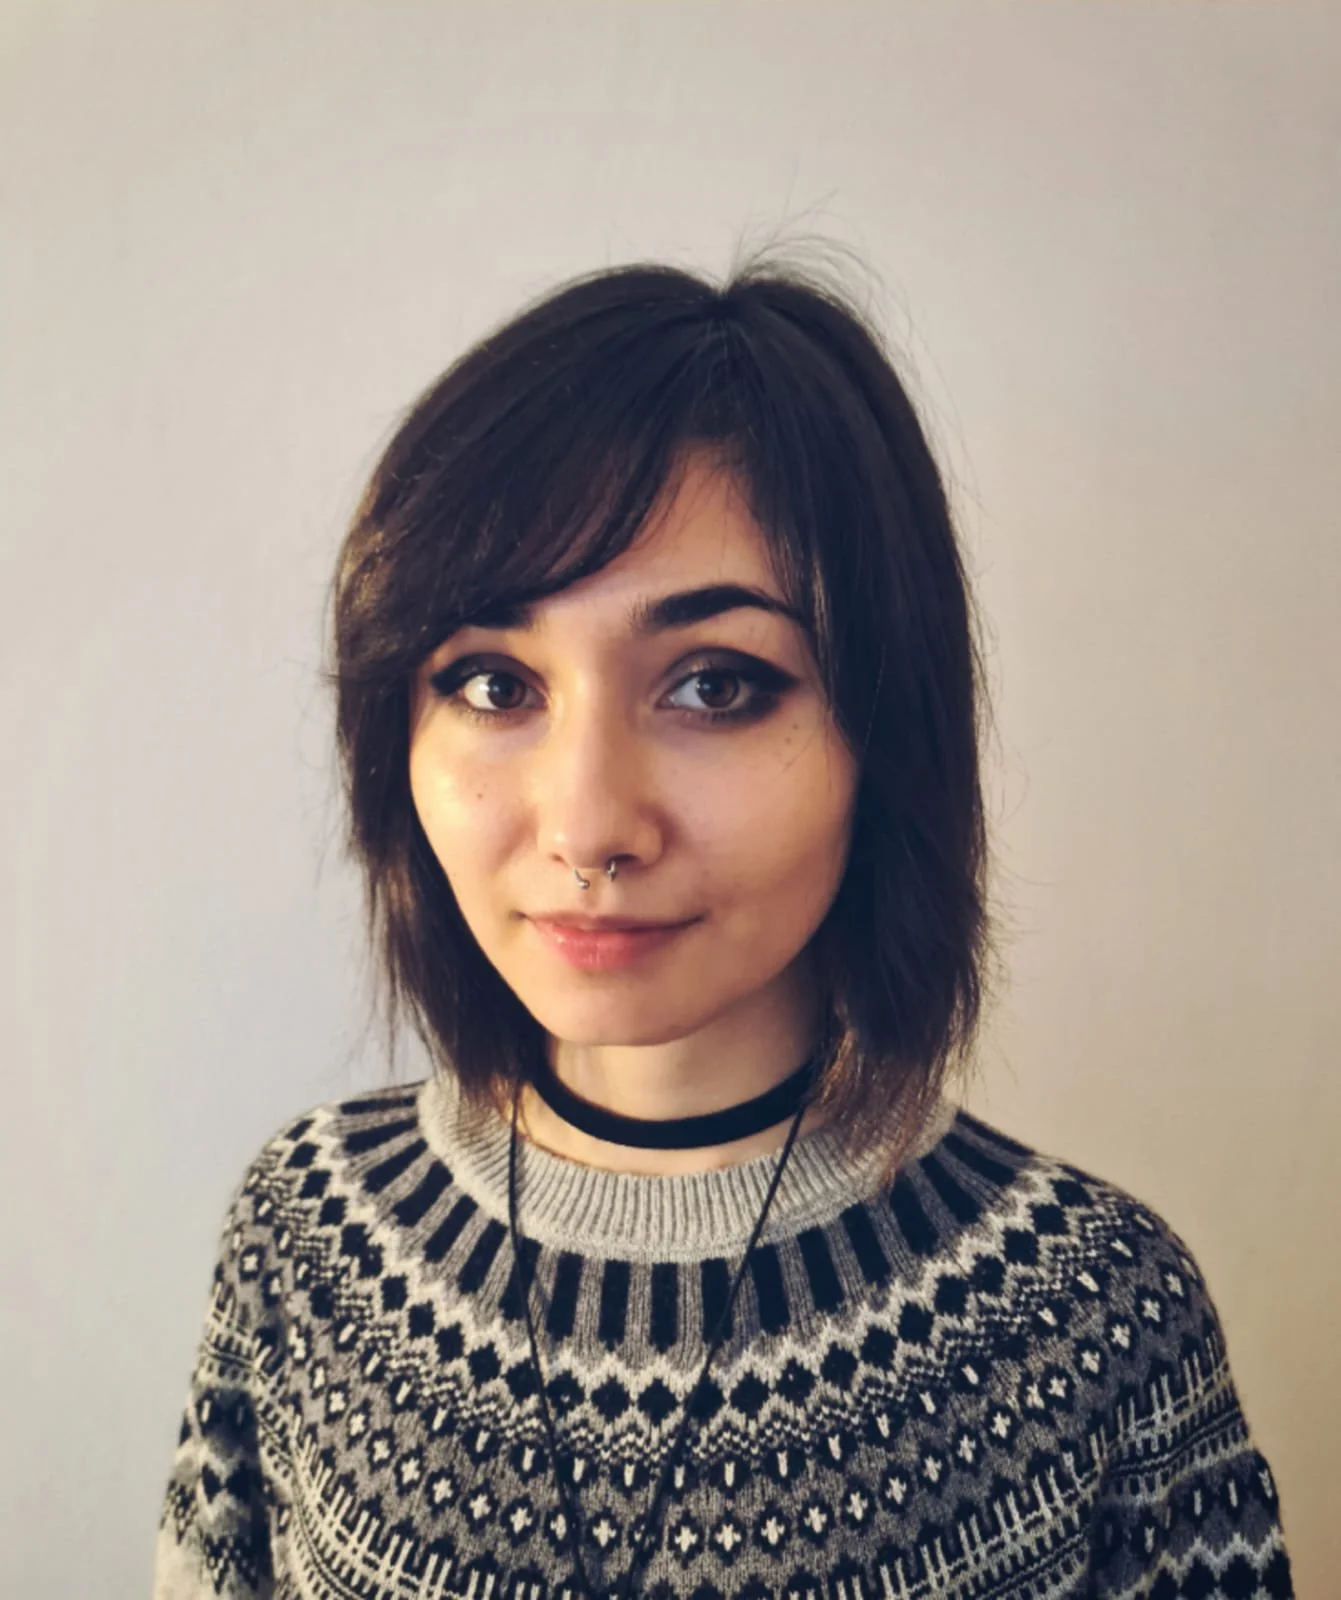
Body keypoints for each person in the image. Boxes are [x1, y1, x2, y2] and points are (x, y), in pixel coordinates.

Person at [154, 258, 1293, 1600]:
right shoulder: (309, 1238)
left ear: (884, 730)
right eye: (492, 682)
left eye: (714, 684)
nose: (588, 826)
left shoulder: (1097, 1318)